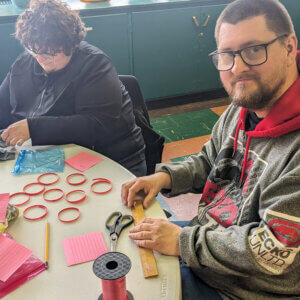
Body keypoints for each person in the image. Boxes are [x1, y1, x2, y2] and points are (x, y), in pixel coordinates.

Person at [121, 0, 300, 299]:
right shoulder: (244, 106)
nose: (238, 67)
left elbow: (275, 249)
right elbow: (211, 160)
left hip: (240, 289)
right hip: (207, 244)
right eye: (226, 55)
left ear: (289, 47)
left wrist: (181, 242)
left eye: (254, 50)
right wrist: (164, 178)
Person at [0, 0, 146, 177]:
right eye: (33, 50)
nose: (40, 59)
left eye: (49, 52)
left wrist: (34, 127)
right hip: (57, 156)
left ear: (70, 44)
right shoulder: (25, 63)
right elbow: (3, 104)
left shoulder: (96, 65)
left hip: (114, 159)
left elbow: (97, 126)